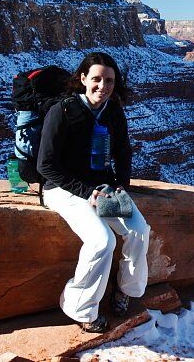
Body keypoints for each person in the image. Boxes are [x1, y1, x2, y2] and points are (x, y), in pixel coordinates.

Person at [37, 51, 150, 333]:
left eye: (109, 80)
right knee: (102, 241)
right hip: (63, 189)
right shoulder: (61, 111)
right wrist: (87, 192)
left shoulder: (113, 111)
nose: (103, 86)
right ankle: (81, 307)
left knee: (139, 231)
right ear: (83, 78)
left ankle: (126, 289)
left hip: (104, 186)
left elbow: (123, 151)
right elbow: (45, 165)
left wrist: (122, 184)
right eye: (97, 79)